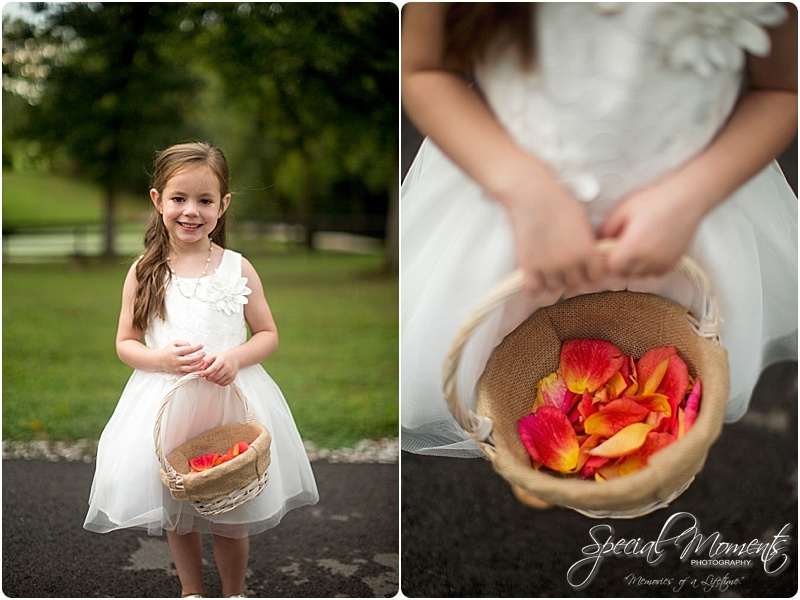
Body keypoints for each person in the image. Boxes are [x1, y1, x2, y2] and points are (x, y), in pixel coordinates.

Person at [401, 3, 798, 457]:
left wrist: (691, 196)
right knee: (501, 388)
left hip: (686, 220)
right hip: (513, 209)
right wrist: (523, 189)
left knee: (687, 373)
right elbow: (423, 69)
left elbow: (783, 86)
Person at [84, 142, 319, 597]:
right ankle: (193, 592)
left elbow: (268, 334)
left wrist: (234, 357)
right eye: (179, 199)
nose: (191, 211)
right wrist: (161, 360)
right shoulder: (144, 271)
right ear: (157, 200)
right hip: (168, 407)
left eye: (205, 201)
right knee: (178, 507)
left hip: (230, 404)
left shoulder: (238, 268)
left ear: (223, 205)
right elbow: (125, 343)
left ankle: (234, 592)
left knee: (231, 512)